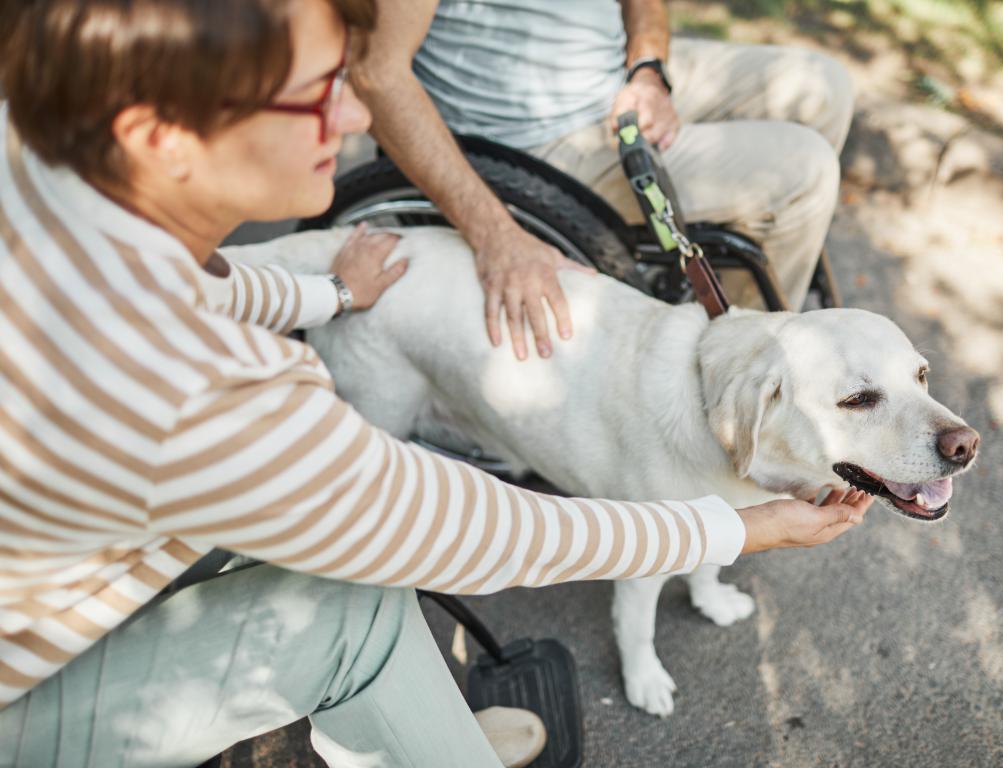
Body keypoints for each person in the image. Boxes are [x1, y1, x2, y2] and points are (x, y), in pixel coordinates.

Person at [0, 1, 872, 766]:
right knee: (355, 615)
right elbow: (475, 532)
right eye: (316, 93)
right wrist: (744, 529)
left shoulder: (39, 169)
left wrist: (332, 292)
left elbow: (201, 282)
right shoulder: (208, 394)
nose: (353, 110)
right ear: (159, 136)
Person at [354, 0, 854, 360]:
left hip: (609, 81)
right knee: (802, 172)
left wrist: (648, 72)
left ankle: (733, 313)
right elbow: (375, 75)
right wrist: (497, 236)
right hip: (525, 146)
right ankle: (738, 369)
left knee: (822, 87)